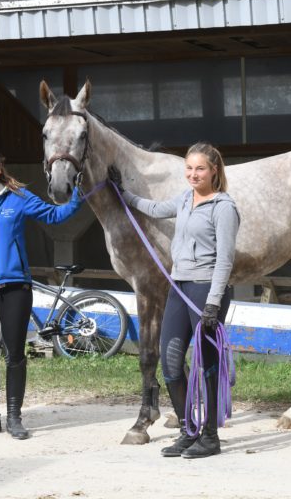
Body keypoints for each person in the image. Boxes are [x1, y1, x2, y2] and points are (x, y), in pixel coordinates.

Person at [108, 142, 239, 459]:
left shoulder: (224, 208)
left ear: (214, 171)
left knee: (206, 364)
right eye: (189, 169)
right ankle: (188, 430)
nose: (193, 174)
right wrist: (121, 193)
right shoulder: (185, 199)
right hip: (179, 287)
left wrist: (213, 302)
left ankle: (210, 436)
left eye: (200, 169)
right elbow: (154, 209)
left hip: (206, 290)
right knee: (170, 361)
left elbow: (225, 260)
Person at [0, 145, 82, 440]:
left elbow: (54, 215)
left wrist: (79, 195)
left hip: (15, 288)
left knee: (15, 354)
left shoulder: (19, 198)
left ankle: (14, 417)